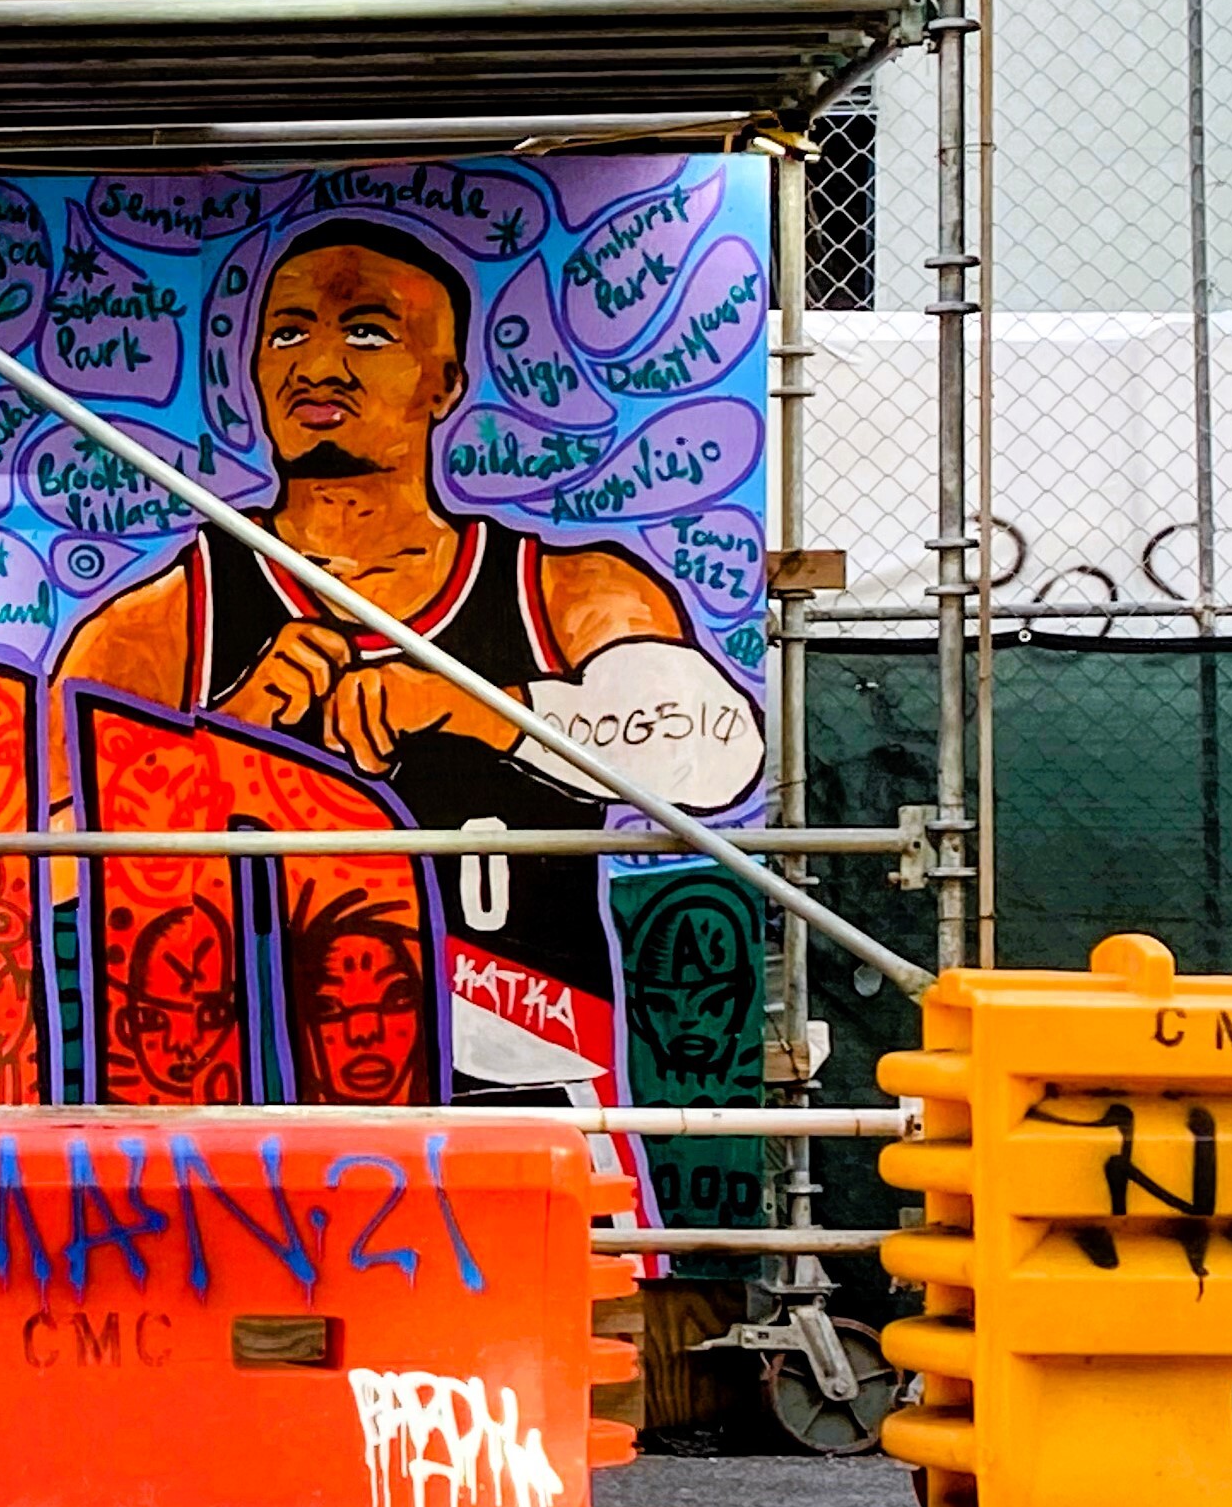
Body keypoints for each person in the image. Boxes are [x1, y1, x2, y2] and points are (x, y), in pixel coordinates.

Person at [56, 216, 765, 1104]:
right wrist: (215, 753)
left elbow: (715, 751)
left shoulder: (563, 590)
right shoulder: (167, 620)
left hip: (524, 1079)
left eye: (367, 330)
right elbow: (29, 870)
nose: (318, 365)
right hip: (256, 1094)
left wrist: (471, 705)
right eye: (287, 333)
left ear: (446, 382)